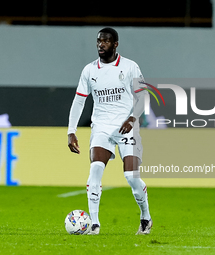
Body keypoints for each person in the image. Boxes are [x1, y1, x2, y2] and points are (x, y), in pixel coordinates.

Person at [67, 27, 152, 235]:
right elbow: (79, 101)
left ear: (115, 44)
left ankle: (145, 217)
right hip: (101, 126)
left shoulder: (130, 67)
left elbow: (143, 96)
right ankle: (94, 224)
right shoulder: (89, 70)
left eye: (105, 41)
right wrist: (71, 131)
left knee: (131, 177)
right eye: (98, 41)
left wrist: (133, 118)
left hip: (126, 126)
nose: (101, 45)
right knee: (95, 168)